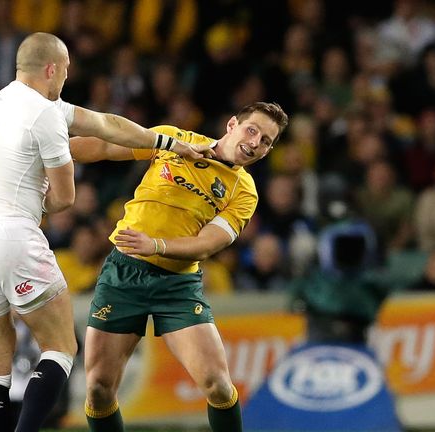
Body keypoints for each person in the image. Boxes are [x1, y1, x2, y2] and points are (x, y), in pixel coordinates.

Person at [0, 32, 211, 432]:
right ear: (52, 69)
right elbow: (65, 197)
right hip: (12, 233)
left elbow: (105, 124)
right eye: (66, 69)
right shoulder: (44, 113)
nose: (67, 77)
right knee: (61, 346)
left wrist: (167, 142)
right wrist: (38, 202)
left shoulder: (3, 99)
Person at [70, 101, 290, 432]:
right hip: (123, 273)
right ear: (232, 125)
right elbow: (103, 146)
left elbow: (208, 243)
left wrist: (157, 245)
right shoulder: (174, 139)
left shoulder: (244, 191)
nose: (255, 142)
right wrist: (48, 150)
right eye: (252, 130)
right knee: (99, 389)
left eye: (266, 141)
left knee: (218, 385)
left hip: (177, 285)